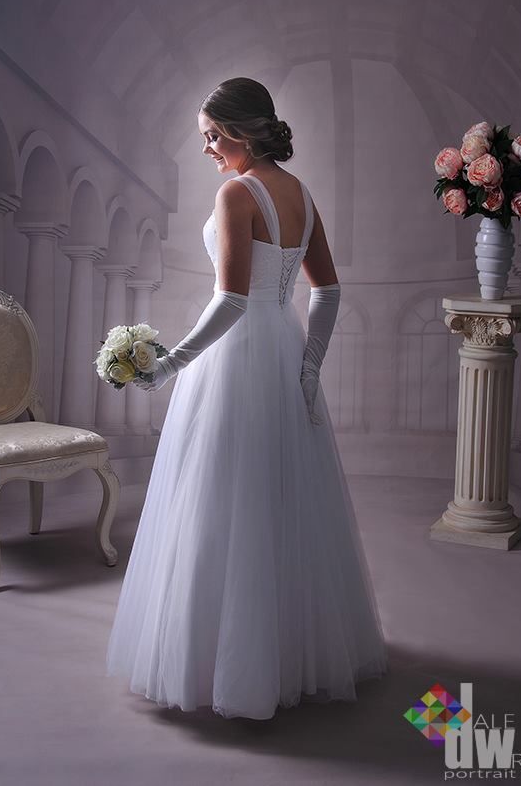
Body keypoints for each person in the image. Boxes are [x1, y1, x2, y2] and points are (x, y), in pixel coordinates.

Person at [105, 77, 387, 720]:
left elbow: (231, 300)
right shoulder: (302, 193)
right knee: (279, 503)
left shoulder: (237, 191)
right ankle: (295, 656)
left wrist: (169, 364)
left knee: (223, 499)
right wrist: (309, 365)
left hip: (235, 360)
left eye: (212, 135)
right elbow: (329, 292)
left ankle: (224, 668)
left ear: (243, 130)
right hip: (283, 352)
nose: (207, 149)